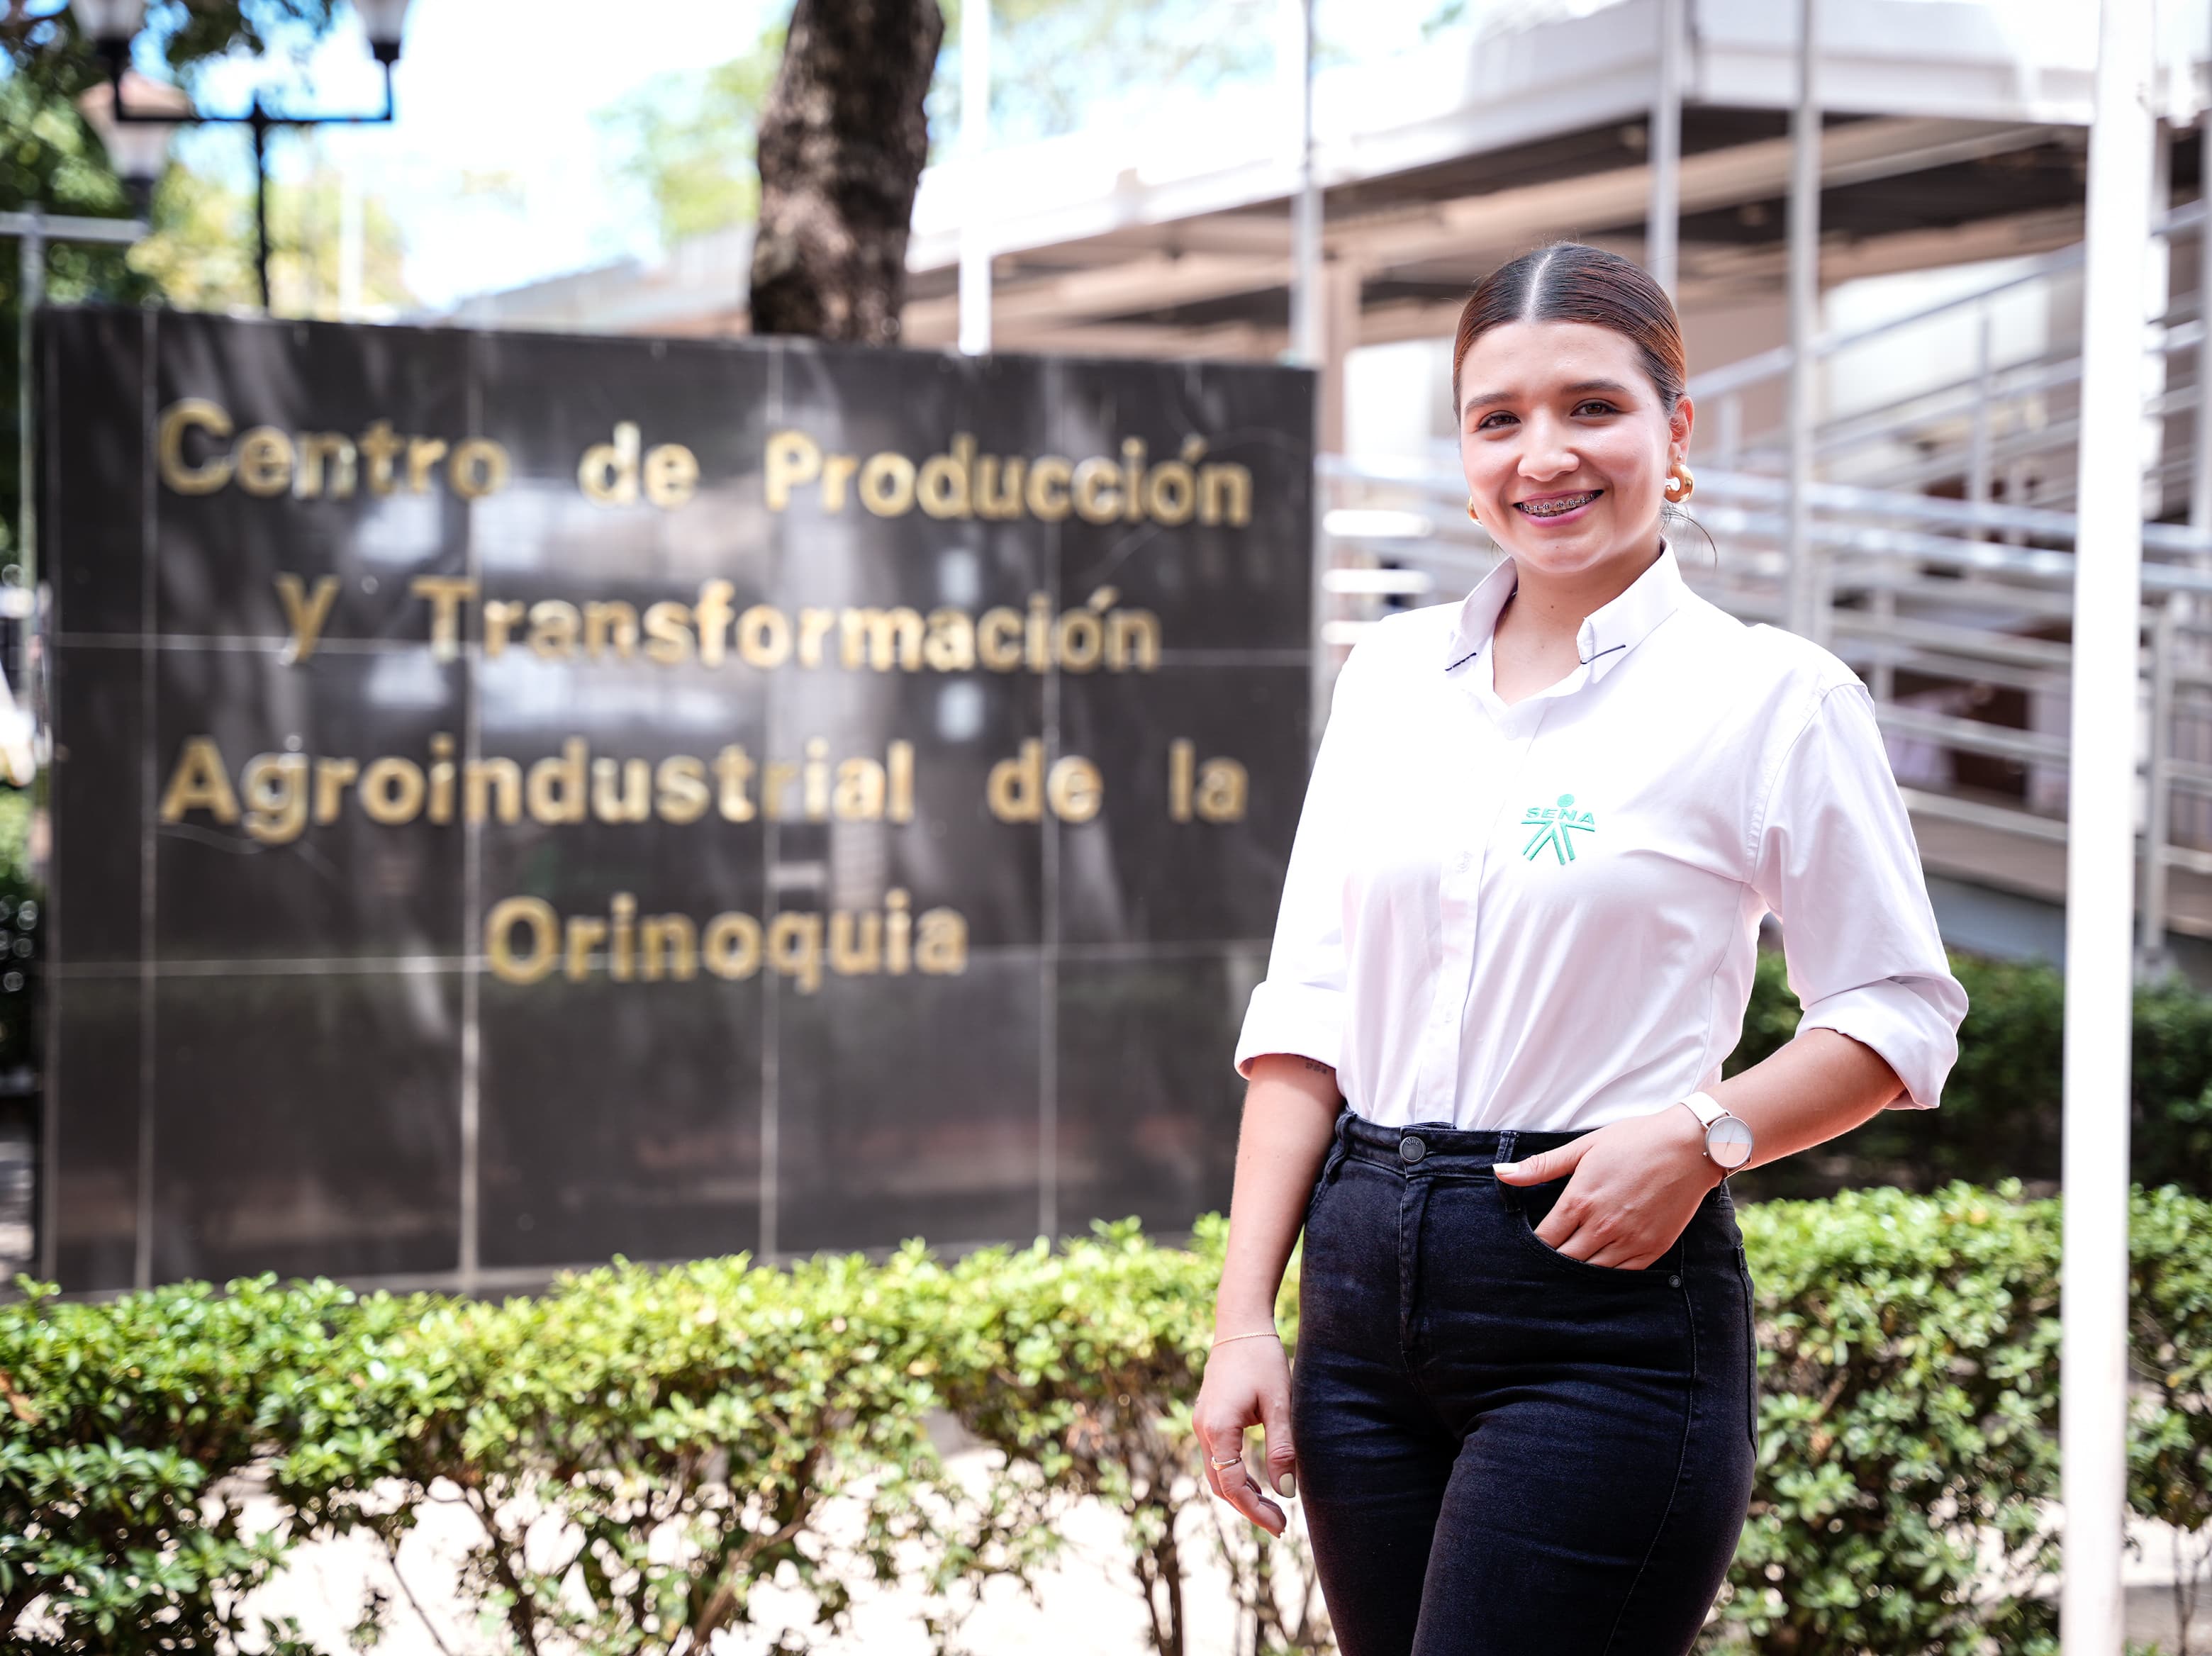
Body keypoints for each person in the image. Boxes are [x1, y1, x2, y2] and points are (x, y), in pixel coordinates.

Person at [1192, 242, 1968, 1656]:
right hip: (1361, 1291)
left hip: (1601, 1308)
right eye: (1498, 419)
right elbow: (1306, 1007)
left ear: (1677, 432)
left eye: (1591, 408)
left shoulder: (1773, 697)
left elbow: (1900, 1010)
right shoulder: (1387, 679)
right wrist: (1248, 1316)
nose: (1543, 455)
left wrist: (1704, 1132)